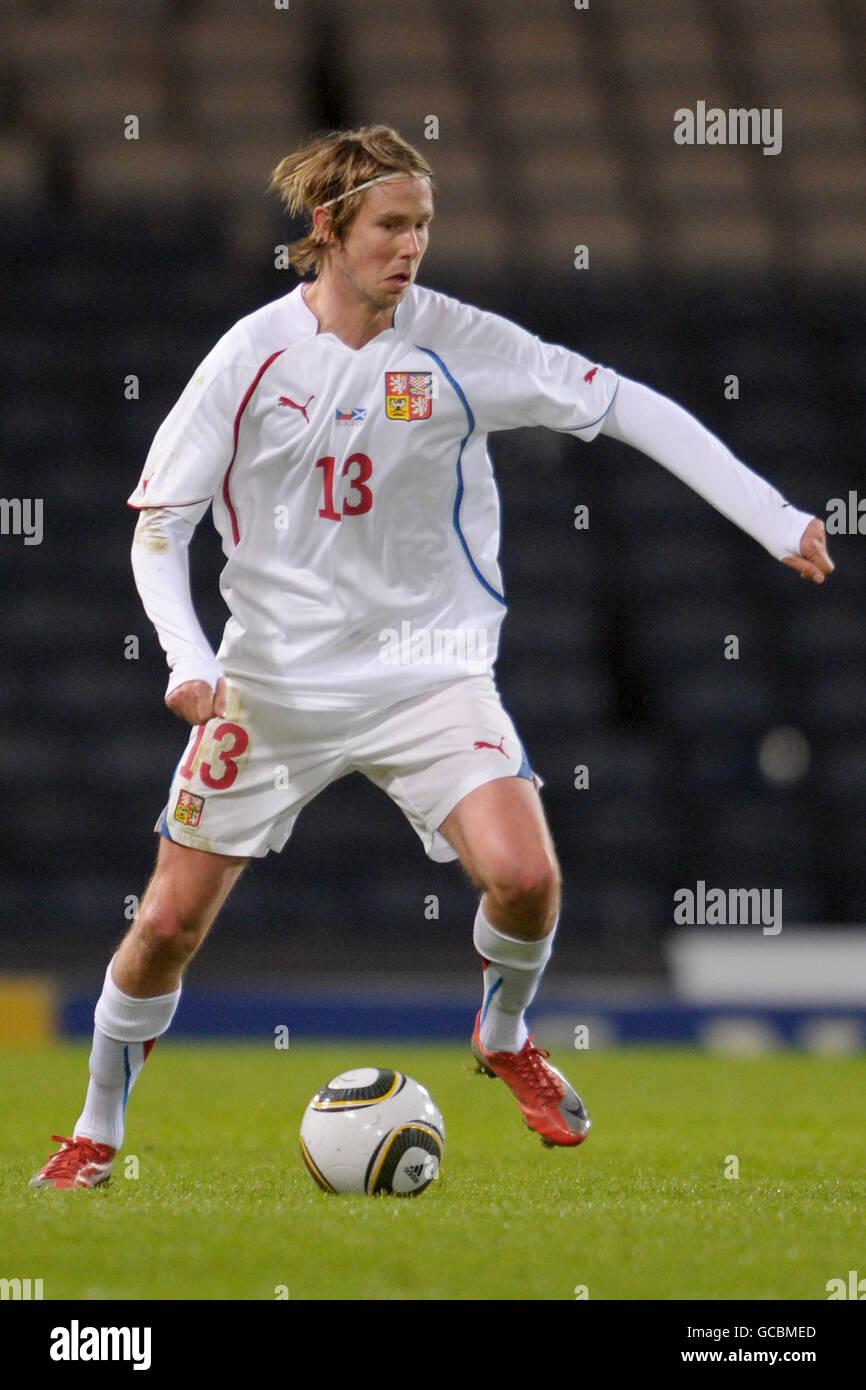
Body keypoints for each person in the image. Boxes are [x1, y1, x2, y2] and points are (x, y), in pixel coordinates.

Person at [32, 125, 833, 1188]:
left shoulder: (460, 342)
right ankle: (95, 1131)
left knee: (526, 876)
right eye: (390, 226)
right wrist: (185, 657)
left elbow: (624, 405)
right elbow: (158, 528)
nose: (410, 247)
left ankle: (501, 1035)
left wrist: (774, 517)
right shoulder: (249, 355)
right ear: (328, 230)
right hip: (267, 687)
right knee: (169, 921)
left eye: (422, 225)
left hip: (428, 672)